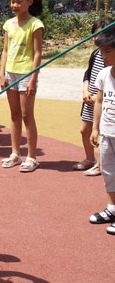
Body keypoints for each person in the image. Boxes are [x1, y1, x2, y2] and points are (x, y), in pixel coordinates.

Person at [0, 0, 45, 173]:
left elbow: (37, 53)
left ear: (29, 2)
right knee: (14, 115)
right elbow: (5, 51)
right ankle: (15, 153)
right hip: (10, 73)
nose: (15, 5)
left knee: (27, 116)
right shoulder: (8, 24)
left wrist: (33, 78)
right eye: (12, 1)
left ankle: (32, 156)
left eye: (19, 1)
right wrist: (2, 74)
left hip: (27, 74)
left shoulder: (35, 24)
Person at [76, 17, 114, 176]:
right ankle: (90, 158)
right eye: (95, 36)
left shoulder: (110, 55)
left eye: (101, 35)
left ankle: (100, 163)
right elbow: (88, 73)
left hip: (104, 100)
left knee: (103, 133)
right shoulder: (96, 53)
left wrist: (100, 97)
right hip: (90, 99)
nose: (97, 39)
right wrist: (85, 91)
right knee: (85, 129)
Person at [89, 24, 115, 236]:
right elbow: (99, 101)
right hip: (107, 133)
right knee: (108, 172)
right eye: (102, 52)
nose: (103, 56)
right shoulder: (105, 74)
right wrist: (95, 128)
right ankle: (112, 208)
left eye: (108, 52)